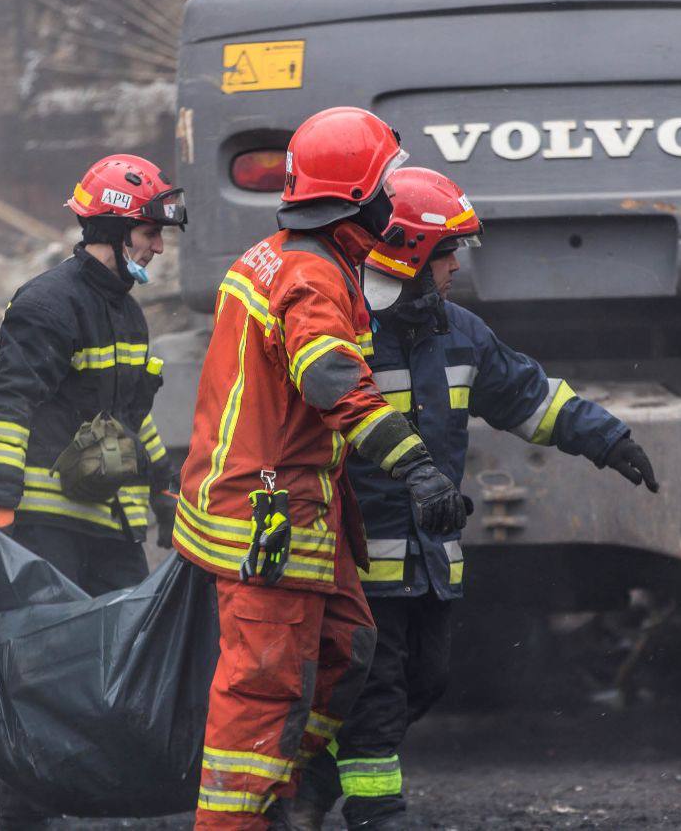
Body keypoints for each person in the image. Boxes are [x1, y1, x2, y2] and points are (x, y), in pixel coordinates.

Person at [290, 167, 660, 829]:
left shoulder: (461, 332)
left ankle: (315, 778)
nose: (457, 266)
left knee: (425, 682)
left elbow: (527, 397)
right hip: (360, 568)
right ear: (406, 256)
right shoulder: (344, 332)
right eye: (446, 253)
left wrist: (609, 440)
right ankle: (378, 814)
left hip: (430, 563)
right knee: (376, 698)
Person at [173, 106, 469, 829]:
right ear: (360, 195)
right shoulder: (313, 277)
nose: (392, 199)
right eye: (386, 184)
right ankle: (243, 818)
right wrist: (417, 468)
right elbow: (330, 378)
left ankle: (288, 789)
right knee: (264, 689)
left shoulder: (279, 254)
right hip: (268, 513)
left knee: (347, 646)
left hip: (283, 507)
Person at [0, 154, 183, 828]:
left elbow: (132, 420)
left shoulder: (125, 313)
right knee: (47, 676)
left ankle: (93, 800)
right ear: (119, 233)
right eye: (150, 232)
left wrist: (163, 490)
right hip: (46, 525)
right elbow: (6, 399)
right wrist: (0, 495)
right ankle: (25, 814)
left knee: (118, 667)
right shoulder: (49, 301)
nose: (158, 245)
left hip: (109, 526)